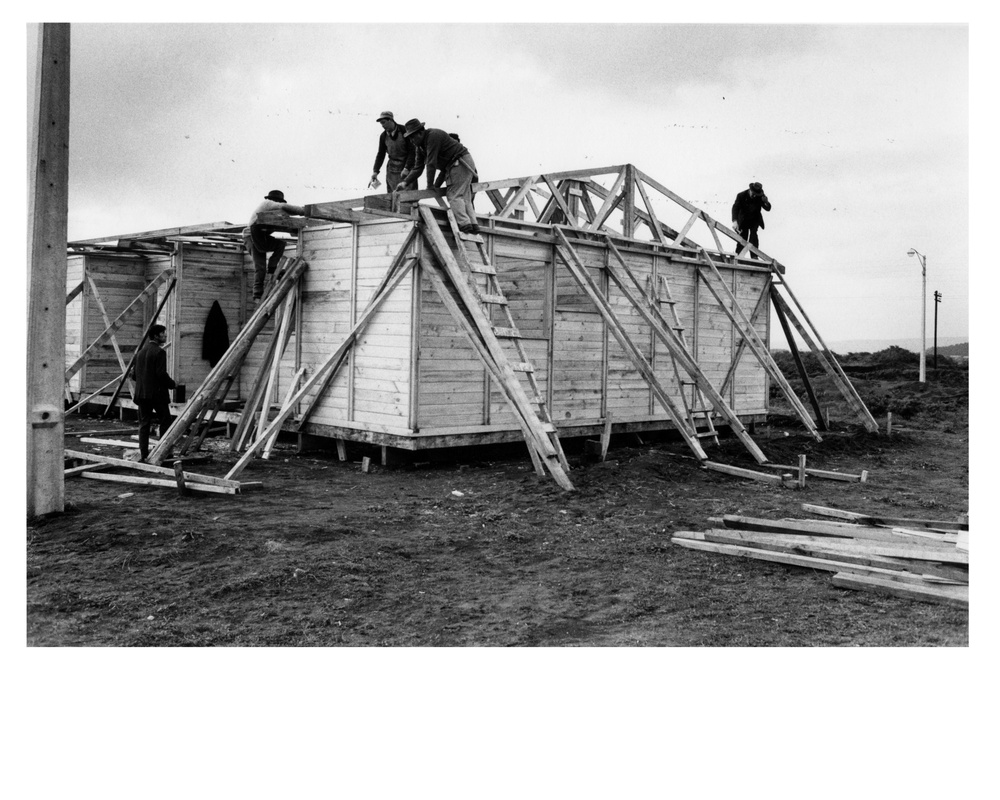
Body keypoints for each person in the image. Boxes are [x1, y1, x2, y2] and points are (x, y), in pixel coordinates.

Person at [396, 119, 480, 234]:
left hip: (461, 162)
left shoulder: (433, 136)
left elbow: (431, 163)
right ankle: (473, 224)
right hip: (456, 164)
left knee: (454, 195)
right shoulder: (419, 147)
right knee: (464, 196)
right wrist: (405, 182)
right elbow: (417, 168)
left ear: (420, 133)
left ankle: (464, 224)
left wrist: (430, 185)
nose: (411, 141)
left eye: (412, 137)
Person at [243, 190, 305, 301]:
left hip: (262, 237)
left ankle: (272, 268)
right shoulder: (267, 203)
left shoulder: (273, 213)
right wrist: (303, 211)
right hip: (251, 237)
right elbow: (284, 207)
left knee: (280, 244)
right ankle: (257, 294)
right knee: (260, 266)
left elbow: (284, 214)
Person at [133, 324, 176, 462]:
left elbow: (134, 375)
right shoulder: (159, 352)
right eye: (163, 333)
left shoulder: (140, 352)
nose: (165, 336)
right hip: (157, 394)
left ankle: (144, 454)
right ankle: (164, 452)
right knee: (165, 422)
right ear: (156, 336)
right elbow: (161, 374)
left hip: (142, 394)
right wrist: (172, 384)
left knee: (144, 424)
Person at [370, 111, 415, 193]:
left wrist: (407, 167)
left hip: (406, 167)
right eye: (381, 124)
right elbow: (381, 154)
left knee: (409, 194)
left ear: (390, 120)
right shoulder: (383, 136)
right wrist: (375, 171)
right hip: (392, 169)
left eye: (384, 122)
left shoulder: (404, 130)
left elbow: (412, 151)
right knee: (392, 194)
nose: (382, 126)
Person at [731, 181, 772, 257]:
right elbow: (735, 208)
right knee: (743, 238)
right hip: (744, 220)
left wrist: (766, 202)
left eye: (756, 195)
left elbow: (767, 208)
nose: (754, 196)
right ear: (750, 190)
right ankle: (738, 256)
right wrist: (735, 221)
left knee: (753, 237)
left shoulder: (760, 196)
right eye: (753, 194)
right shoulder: (741, 195)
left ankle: (754, 257)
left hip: (754, 220)